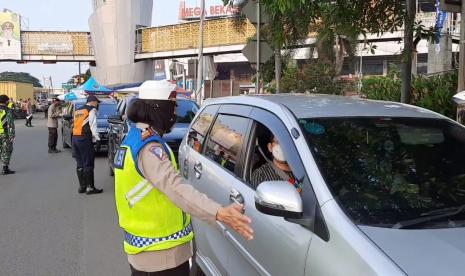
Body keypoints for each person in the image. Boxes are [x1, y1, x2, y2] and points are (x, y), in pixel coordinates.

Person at [114, 80, 253, 276]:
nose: (175, 111)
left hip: (148, 250)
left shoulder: (136, 137)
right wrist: (219, 212)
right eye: (172, 105)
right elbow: (176, 188)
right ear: (157, 108)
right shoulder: (149, 147)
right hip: (161, 255)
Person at [72, 95, 103, 195]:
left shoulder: (78, 110)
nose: (98, 105)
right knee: (88, 162)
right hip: (85, 139)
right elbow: (93, 125)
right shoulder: (91, 110)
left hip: (75, 138)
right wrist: (97, 139)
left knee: (80, 163)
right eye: (97, 103)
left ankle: (82, 187)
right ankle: (90, 188)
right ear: (93, 102)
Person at [0, 95, 15, 175]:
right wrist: (11, 135)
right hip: (5, 134)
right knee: (7, 150)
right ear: (6, 101)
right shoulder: (8, 110)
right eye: (8, 100)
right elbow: (10, 124)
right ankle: (5, 169)